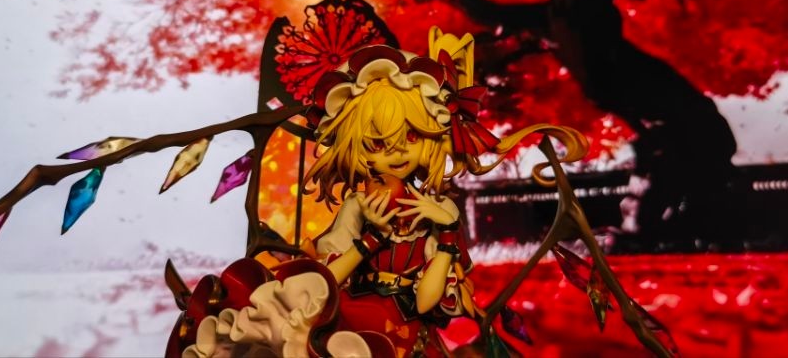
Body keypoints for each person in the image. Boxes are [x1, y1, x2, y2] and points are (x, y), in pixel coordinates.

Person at [181, 27, 588, 358]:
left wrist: (448, 232)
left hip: (410, 329)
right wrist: (372, 237)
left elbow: (427, 303)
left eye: (410, 137)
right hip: (355, 319)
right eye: (376, 143)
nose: (395, 153)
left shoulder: (435, 211)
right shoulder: (358, 206)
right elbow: (326, 281)